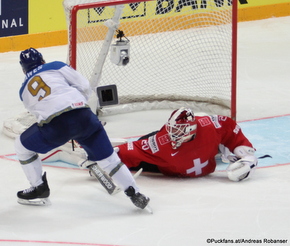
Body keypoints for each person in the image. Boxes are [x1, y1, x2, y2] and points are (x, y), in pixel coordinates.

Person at [15, 47, 150, 209]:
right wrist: (78, 109)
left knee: (22, 146)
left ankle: (39, 187)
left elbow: (40, 113)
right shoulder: (56, 65)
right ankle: (136, 194)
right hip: (85, 117)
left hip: (55, 128)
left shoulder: (23, 91)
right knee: (110, 161)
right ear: (43, 60)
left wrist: (67, 129)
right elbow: (85, 87)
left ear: (23, 70)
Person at [116, 107, 258, 181]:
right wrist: (109, 158)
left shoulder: (209, 126)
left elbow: (229, 127)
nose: (172, 135)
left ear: (191, 130)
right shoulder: (161, 142)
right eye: (172, 129)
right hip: (164, 164)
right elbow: (134, 150)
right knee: (137, 156)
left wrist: (246, 154)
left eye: (179, 131)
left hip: (183, 163)